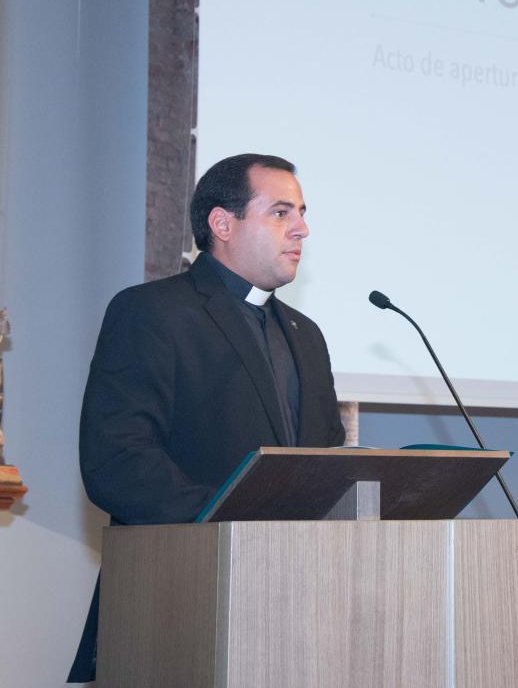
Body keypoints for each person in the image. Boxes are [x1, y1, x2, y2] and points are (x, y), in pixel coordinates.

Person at [67, 154, 346, 683]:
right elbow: (117, 460)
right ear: (222, 223)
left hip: (300, 611)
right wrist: (234, 517)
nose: (302, 229)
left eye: (302, 212)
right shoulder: (153, 311)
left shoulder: (306, 335)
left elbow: (322, 462)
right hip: (180, 602)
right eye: (281, 212)